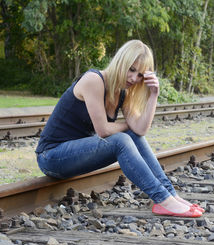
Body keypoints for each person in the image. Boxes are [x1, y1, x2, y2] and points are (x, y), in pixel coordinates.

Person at [35, 39, 204, 218]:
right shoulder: (94, 80)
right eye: (131, 69)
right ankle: (162, 199)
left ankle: (170, 195)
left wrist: (154, 95)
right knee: (122, 139)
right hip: (51, 156)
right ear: (121, 61)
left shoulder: (123, 92)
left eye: (140, 75)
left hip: (74, 155)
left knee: (131, 135)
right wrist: (128, 127)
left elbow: (140, 130)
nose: (133, 78)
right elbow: (103, 130)